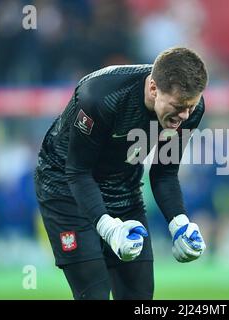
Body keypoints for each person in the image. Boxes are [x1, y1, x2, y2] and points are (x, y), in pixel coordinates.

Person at [34, 47, 208, 300]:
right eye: (178, 106)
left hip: (122, 187)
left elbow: (164, 172)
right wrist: (108, 228)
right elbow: (78, 171)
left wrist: (179, 223)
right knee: (94, 294)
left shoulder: (191, 109)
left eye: (190, 107)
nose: (184, 116)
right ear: (152, 89)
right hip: (64, 188)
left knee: (139, 297)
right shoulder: (100, 96)